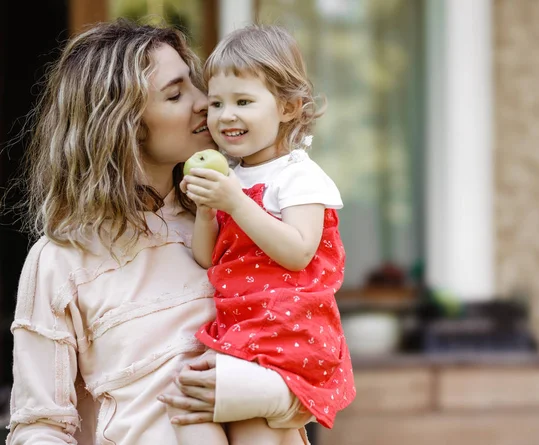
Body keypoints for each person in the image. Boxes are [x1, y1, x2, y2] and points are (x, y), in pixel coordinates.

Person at [5, 18, 313, 445]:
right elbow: (40, 428)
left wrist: (264, 395)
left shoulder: (241, 222)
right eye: (175, 94)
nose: (205, 102)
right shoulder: (62, 259)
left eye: (195, 84)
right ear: (120, 125)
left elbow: (315, 364)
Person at [178, 24, 356, 445]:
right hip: (244, 327)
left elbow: (298, 251)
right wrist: (207, 211)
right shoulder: (232, 177)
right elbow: (208, 259)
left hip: (290, 330)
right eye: (217, 103)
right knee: (251, 427)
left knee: (252, 426)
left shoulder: (299, 176)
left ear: (289, 107)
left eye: (243, 101)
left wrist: (236, 203)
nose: (226, 116)